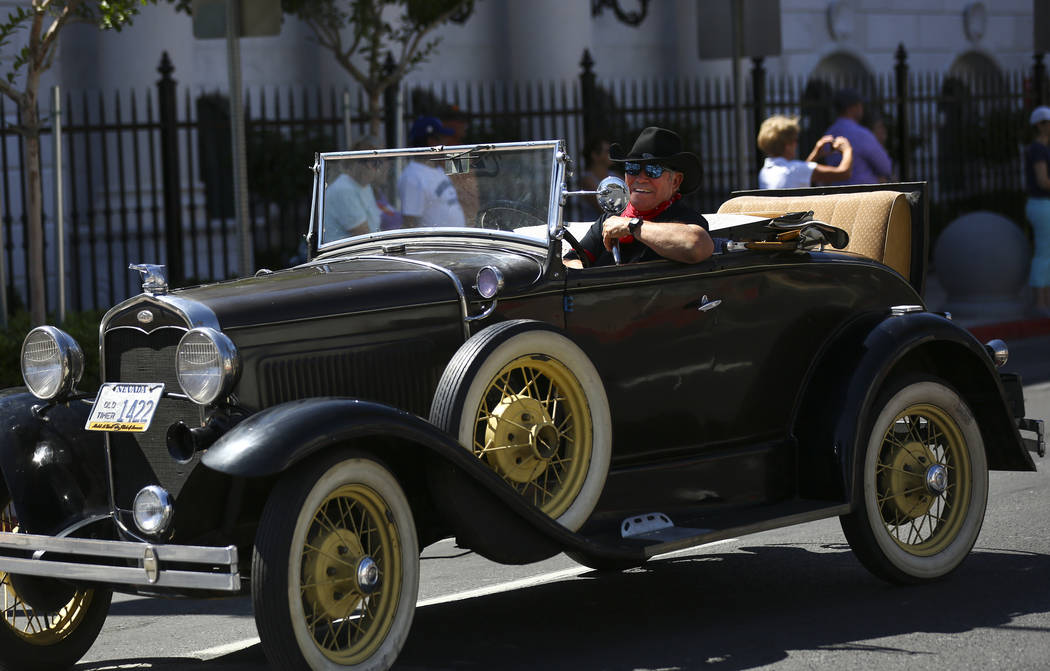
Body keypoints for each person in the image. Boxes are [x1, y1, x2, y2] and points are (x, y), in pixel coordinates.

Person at [564, 126, 713, 268]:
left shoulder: (686, 219)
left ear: (675, 181)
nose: (640, 179)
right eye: (632, 168)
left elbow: (696, 245)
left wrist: (631, 226)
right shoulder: (609, 220)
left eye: (653, 170)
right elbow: (571, 259)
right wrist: (581, 272)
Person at [397, 116, 466, 228]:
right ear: (432, 142)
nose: (446, 144)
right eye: (442, 139)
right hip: (436, 244)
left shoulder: (437, 169)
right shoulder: (412, 176)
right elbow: (410, 223)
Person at [757, 115, 853, 189]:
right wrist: (847, 150)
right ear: (787, 145)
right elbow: (843, 173)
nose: (796, 144)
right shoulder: (795, 170)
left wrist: (816, 154)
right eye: (795, 140)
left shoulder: (765, 171)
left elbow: (802, 173)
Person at [823, 88, 893, 185]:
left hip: (837, 194)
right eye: (859, 105)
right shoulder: (861, 134)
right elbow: (885, 167)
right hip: (862, 193)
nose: (862, 109)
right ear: (851, 108)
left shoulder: (828, 133)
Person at [1026, 105, 1050, 312]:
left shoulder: (1042, 149)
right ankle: (1040, 302)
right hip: (1042, 205)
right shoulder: (1038, 150)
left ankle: (1044, 300)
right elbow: (1043, 181)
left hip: (1043, 204)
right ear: (1040, 125)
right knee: (1044, 252)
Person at [576, 135, 614, 220]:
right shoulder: (587, 180)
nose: (611, 154)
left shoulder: (615, 175)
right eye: (607, 151)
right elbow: (604, 208)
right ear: (594, 155)